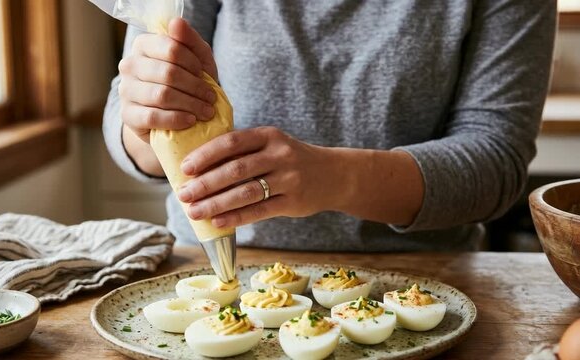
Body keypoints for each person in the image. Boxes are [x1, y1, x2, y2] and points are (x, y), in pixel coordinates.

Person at [103, 0, 556, 251]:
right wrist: (147, 126)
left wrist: (335, 178)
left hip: (422, 281)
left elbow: (497, 164)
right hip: (212, 271)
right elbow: (127, 129)